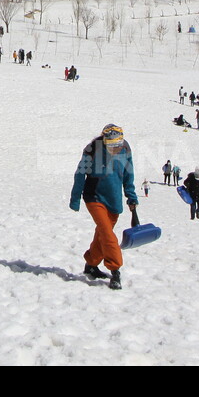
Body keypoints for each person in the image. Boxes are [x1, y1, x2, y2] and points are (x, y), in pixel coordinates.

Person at [69, 124, 138, 290]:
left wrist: (131, 197)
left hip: (113, 199)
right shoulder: (92, 150)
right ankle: (115, 270)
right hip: (94, 197)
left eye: (117, 145)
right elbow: (80, 173)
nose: (114, 149)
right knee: (107, 234)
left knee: (102, 234)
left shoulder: (125, 149)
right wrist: (75, 197)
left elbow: (129, 175)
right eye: (111, 146)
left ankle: (91, 264)